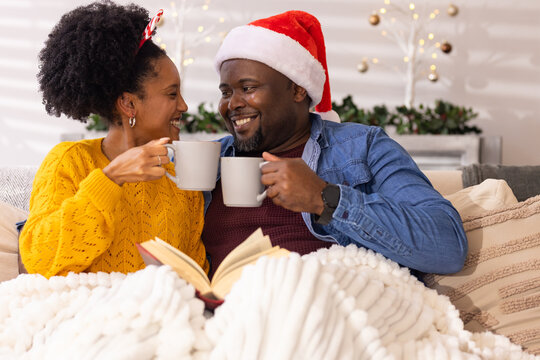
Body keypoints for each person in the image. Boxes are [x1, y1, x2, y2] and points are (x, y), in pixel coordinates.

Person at [202, 10, 467, 277]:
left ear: (297, 89)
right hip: (218, 311)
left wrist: (325, 199)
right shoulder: (207, 160)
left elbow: (447, 245)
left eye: (248, 88)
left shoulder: (363, 147)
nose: (232, 104)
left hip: (322, 304)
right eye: (226, 92)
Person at [20, 1, 208, 278]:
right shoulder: (70, 161)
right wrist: (110, 179)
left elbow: (195, 272)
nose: (183, 106)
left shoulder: (180, 177)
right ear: (128, 104)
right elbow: (39, 259)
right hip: (84, 313)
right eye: (171, 94)